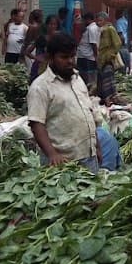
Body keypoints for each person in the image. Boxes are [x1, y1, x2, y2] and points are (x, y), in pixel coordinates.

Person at [27, 31, 100, 170]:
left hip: (88, 156)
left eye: (73, 56)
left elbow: (88, 113)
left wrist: (97, 147)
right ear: (51, 57)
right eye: (64, 57)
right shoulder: (40, 86)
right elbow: (37, 124)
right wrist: (52, 154)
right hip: (63, 162)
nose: (70, 61)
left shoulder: (77, 79)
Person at [95, 10, 123, 102]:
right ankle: (106, 100)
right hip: (102, 60)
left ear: (105, 20)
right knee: (104, 81)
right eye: (97, 20)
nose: (98, 22)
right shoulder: (101, 31)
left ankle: (109, 100)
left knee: (108, 81)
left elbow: (118, 43)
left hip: (108, 60)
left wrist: (110, 55)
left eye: (100, 20)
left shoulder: (110, 29)